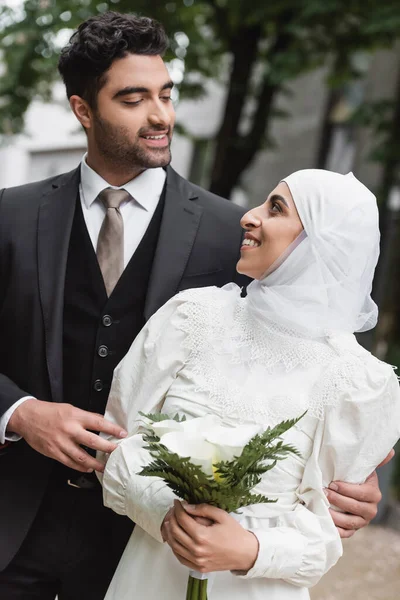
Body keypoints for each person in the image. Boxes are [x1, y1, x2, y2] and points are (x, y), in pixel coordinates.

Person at [0, 10, 388, 599]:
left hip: (147, 547)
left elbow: (305, 358)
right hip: (13, 525)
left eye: (166, 94)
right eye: (133, 99)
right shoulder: (10, 216)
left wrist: (347, 480)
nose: (160, 116)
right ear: (83, 109)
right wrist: (19, 412)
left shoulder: (235, 231)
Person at [99, 169, 400, 600]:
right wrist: (166, 513)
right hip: (147, 577)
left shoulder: (359, 382)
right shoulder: (191, 318)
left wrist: (253, 550)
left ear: (321, 242)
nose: (249, 216)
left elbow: (327, 534)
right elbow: (113, 444)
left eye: (276, 208)